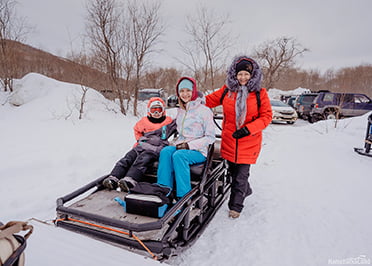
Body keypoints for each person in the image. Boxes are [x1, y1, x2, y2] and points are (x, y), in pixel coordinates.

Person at [205, 56, 272, 219]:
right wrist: (189, 99)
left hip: (248, 142)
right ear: (234, 75)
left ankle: (236, 206)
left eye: (246, 74)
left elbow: (266, 116)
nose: (243, 78)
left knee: (241, 176)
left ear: (252, 75)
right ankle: (245, 191)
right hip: (229, 141)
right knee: (233, 173)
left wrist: (247, 129)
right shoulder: (227, 90)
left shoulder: (259, 94)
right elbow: (209, 100)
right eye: (240, 74)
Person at [157, 77, 215, 199]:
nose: (185, 94)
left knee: (179, 156)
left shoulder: (204, 111)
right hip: (181, 145)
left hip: (198, 151)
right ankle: (163, 190)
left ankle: (183, 197)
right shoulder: (180, 110)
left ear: (193, 91)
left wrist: (189, 146)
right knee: (166, 152)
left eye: (188, 90)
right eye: (182, 91)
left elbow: (210, 138)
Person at [103, 97, 176, 192]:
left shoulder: (167, 121)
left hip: (154, 149)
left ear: (163, 110)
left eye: (159, 110)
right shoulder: (144, 121)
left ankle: (130, 179)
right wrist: (140, 140)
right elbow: (137, 130)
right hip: (142, 146)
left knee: (142, 159)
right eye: (153, 110)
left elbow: (179, 123)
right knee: (128, 157)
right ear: (149, 111)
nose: (156, 113)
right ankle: (114, 177)